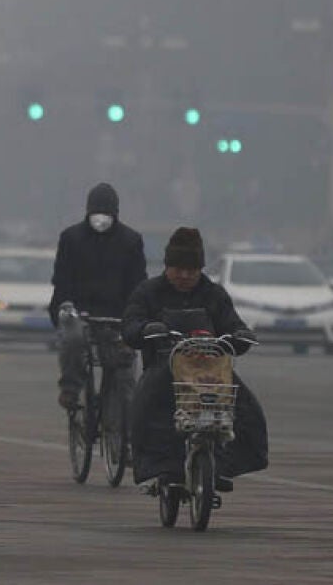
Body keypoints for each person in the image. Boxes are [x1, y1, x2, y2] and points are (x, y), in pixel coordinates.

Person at [121, 227, 267, 491]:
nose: (185, 276)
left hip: (212, 372)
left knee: (248, 410)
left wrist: (240, 336)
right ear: (167, 266)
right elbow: (130, 325)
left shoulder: (214, 294)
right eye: (179, 269)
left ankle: (220, 465)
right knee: (145, 409)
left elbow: (233, 325)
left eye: (192, 270)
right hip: (165, 370)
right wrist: (145, 329)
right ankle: (161, 467)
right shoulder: (148, 292)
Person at [49, 183, 147, 410]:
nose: (101, 220)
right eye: (96, 214)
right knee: (73, 340)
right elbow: (61, 280)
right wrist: (64, 308)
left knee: (124, 364)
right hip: (80, 312)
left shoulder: (130, 241)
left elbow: (138, 283)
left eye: (106, 214)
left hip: (117, 315)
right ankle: (71, 389)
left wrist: (135, 317)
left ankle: (124, 417)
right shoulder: (71, 238)